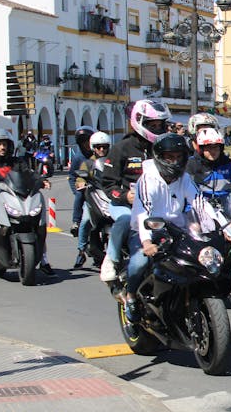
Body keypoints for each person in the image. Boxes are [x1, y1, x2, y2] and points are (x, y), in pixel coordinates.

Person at [121, 132, 224, 323]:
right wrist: (146, 242)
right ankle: (131, 296)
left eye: (178, 157)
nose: (175, 162)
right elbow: (144, 211)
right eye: (170, 157)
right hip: (146, 230)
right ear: (160, 158)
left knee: (195, 258)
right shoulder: (148, 179)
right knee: (140, 263)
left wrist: (220, 227)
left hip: (176, 229)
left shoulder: (184, 178)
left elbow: (199, 203)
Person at [99, 99, 171, 282]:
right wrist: (125, 196)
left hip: (157, 205)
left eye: (159, 125)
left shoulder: (164, 148)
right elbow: (108, 183)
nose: (156, 128)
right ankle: (111, 259)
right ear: (140, 123)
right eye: (152, 125)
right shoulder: (121, 148)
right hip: (125, 205)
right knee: (124, 221)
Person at [0, 127, 53, 274]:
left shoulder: (17, 162)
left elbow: (30, 174)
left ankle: (44, 259)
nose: (2, 147)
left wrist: (41, 180)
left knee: (36, 222)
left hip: (16, 198)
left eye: (4, 144)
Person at [73, 130, 112, 269]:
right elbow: (79, 178)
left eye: (104, 147)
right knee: (84, 221)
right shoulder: (88, 164)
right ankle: (81, 251)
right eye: (98, 147)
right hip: (94, 197)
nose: (101, 150)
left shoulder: (112, 162)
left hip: (109, 197)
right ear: (93, 148)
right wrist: (81, 183)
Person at [66, 126, 95, 235]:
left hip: (99, 187)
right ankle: (76, 222)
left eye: (88, 141)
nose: (86, 145)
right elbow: (72, 176)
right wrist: (77, 188)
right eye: (83, 142)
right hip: (85, 187)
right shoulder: (78, 157)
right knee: (79, 195)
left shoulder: (100, 154)